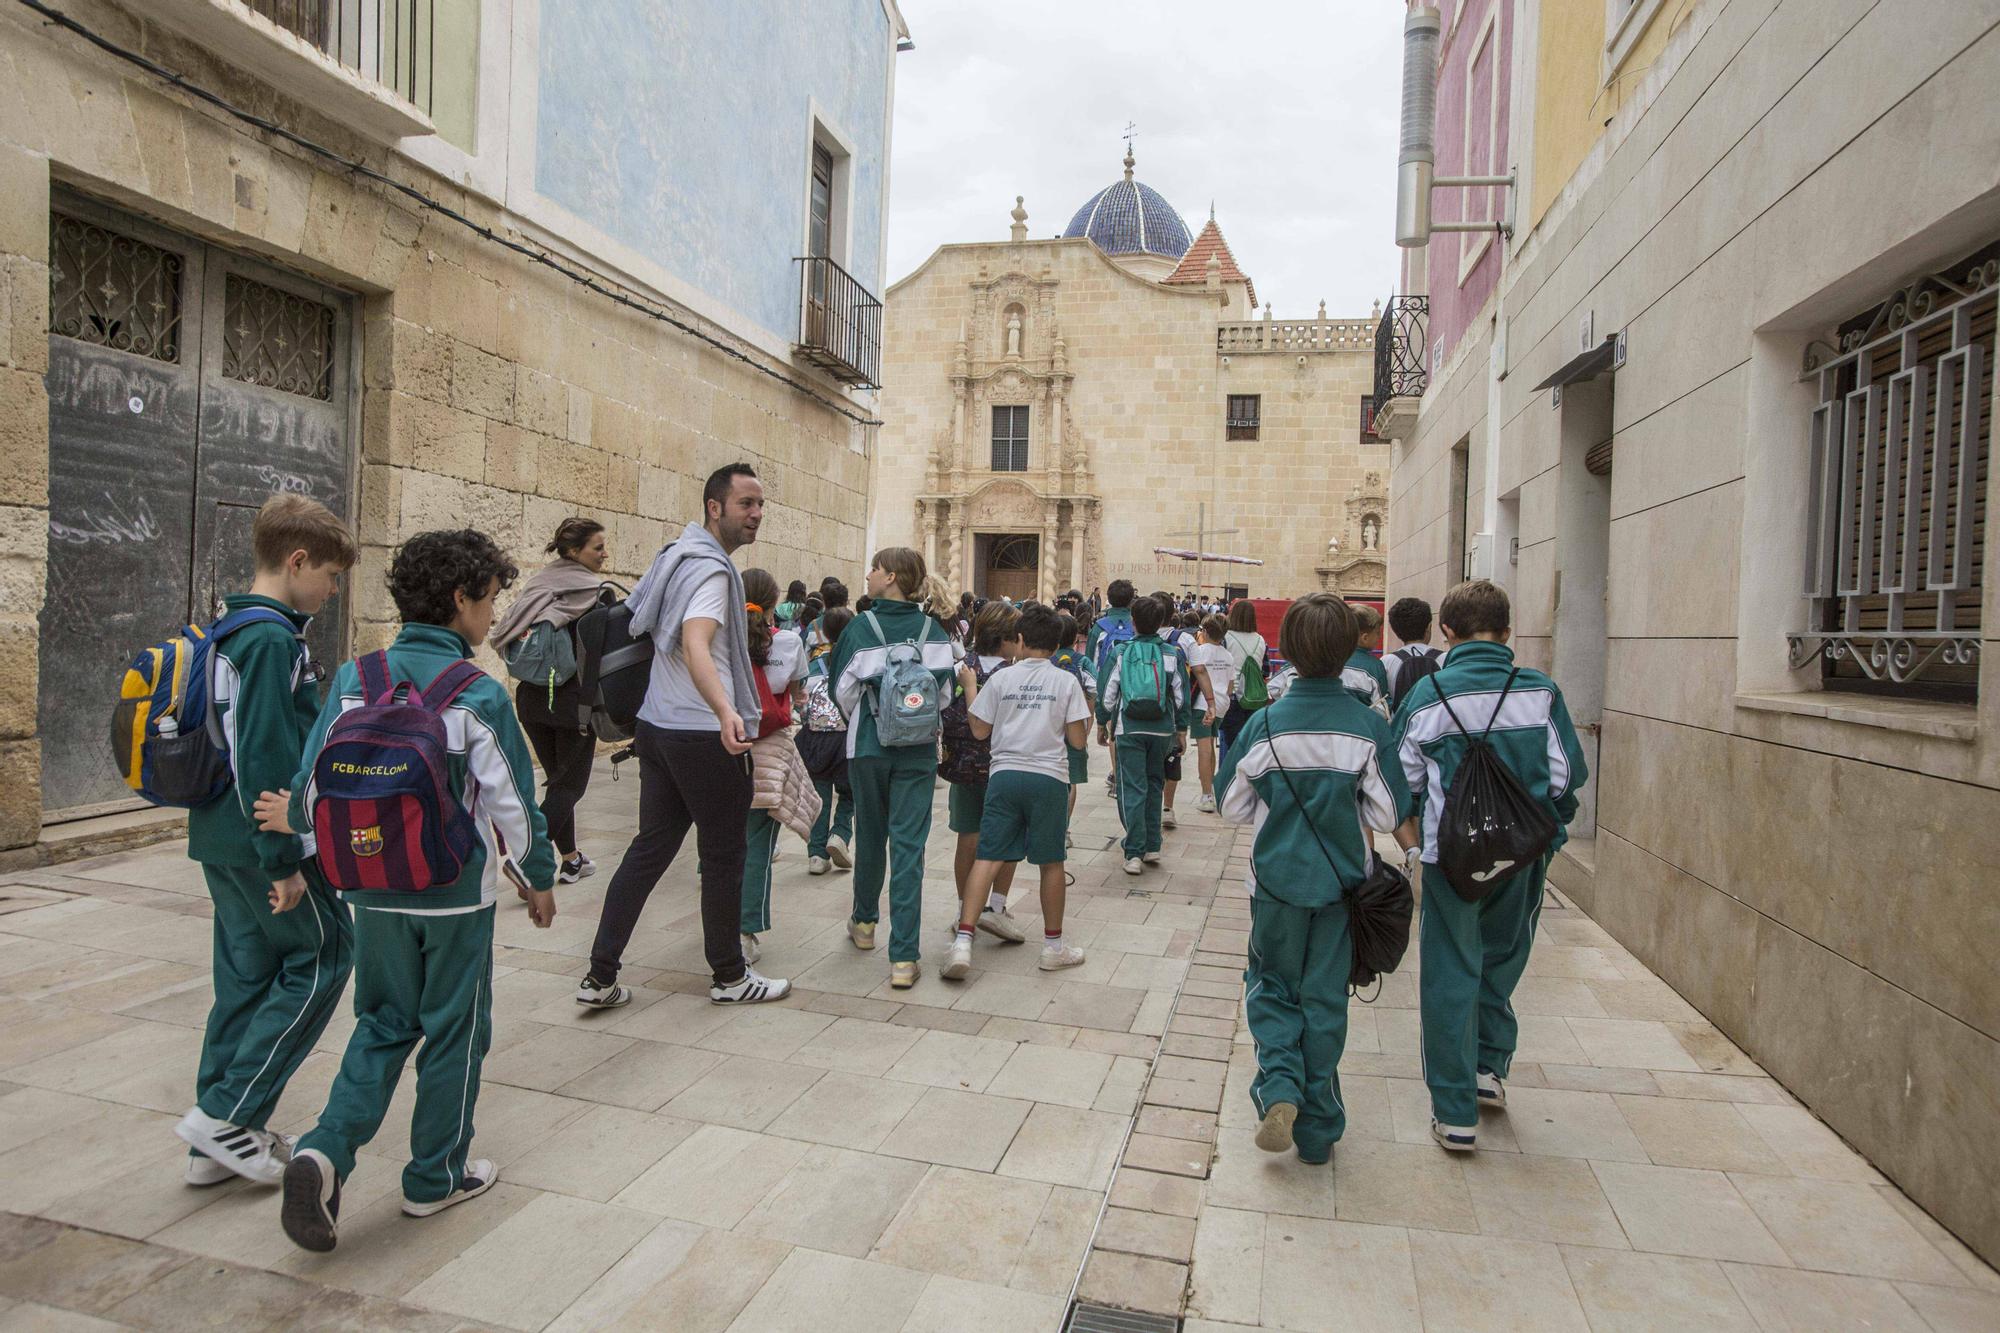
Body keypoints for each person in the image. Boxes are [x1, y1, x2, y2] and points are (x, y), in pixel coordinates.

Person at [271, 528, 556, 1251]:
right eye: (489, 601)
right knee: (456, 1031)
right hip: (454, 894)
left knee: (382, 1023)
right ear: (460, 599)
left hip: (369, 888)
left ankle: (324, 1150)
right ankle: (435, 1177)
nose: (493, 616)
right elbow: (513, 806)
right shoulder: (478, 693)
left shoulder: (354, 679)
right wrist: (537, 879)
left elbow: (311, 793)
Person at [174, 495, 357, 1188]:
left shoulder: (229, 625)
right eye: (331, 575)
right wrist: (285, 860)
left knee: (246, 976)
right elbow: (264, 749)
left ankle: (213, 1140)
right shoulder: (275, 638)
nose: (333, 590)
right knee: (325, 956)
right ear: (297, 560)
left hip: (218, 833)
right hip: (261, 838)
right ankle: (228, 1115)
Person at [578, 463, 791, 1009]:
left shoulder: (672, 556)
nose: (757, 514)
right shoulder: (712, 573)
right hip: (700, 735)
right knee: (724, 856)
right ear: (714, 507)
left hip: (658, 727)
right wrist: (725, 711)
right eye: (746, 504)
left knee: (650, 848)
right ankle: (729, 975)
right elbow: (697, 644)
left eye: (761, 504)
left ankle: (601, 974)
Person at [1218, 593, 1413, 1166]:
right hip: (1339, 891)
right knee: (1325, 998)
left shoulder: (1265, 724)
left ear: (1292, 653)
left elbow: (1230, 805)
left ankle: (1279, 1086)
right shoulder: (1366, 729)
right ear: (1352, 646)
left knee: (1271, 983)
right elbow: (1384, 814)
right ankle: (1320, 1126)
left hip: (1273, 887)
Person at [1394, 579, 1588, 1152]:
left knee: (1451, 968)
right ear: (1507, 632)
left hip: (1450, 859)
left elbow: (1400, 780)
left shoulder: (1429, 696)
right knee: (1503, 955)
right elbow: (1565, 777)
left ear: (1447, 634)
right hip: (1521, 854)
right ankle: (1487, 1066)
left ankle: (1454, 1110)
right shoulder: (1540, 693)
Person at [829, 547, 960, 987]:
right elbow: (943, 696)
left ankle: (864, 924)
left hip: (868, 746)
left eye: (874, 569)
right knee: (909, 846)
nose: (868, 575)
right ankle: (903, 958)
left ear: (890, 577)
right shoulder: (934, 630)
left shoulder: (860, 628)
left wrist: (872, 718)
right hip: (918, 750)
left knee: (869, 834)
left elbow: (840, 690)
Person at [942, 604, 1092, 980]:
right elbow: (1077, 740)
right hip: (1048, 778)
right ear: (1058, 643)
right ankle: (1053, 947)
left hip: (1005, 775)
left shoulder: (1003, 679)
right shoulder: (1065, 681)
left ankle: (963, 941)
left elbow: (979, 730)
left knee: (987, 856)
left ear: (1021, 640)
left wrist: (972, 689)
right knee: (1051, 863)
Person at [491, 516, 611, 887]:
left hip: (530, 700)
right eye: (598, 547)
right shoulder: (597, 592)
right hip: (574, 703)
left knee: (559, 783)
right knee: (569, 787)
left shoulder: (539, 585)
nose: (605, 554)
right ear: (575, 551)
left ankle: (572, 860)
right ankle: (527, 856)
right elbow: (603, 657)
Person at [738, 569, 816, 964]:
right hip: (769, 753)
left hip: (722, 747)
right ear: (774, 603)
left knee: (716, 841)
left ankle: (715, 917)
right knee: (758, 847)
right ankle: (746, 931)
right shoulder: (788, 642)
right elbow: (799, 692)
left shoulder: (719, 637)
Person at [946, 602, 1024, 944]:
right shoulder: (1016, 673)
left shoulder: (962, 667)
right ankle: (996, 906)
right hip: (1006, 765)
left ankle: (966, 908)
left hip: (964, 764)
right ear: (1005, 639)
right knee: (1007, 838)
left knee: (968, 838)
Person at [1097, 593, 1191, 875]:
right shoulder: (1172, 654)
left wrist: (1103, 723)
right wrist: (1182, 729)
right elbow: (1181, 695)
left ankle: (1134, 850)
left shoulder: (1121, 651)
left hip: (1130, 727)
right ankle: (1152, 844)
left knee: (1132, 787)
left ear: (1133, 622)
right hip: (1162, 730)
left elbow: (1108, 693)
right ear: (1162, 621)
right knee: (1154, 784)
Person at [801, 605, 855, 875]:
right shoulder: (855, 659)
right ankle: (841, 834)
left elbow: (803, 699)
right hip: (846, 738)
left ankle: (817, 854)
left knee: (819, 796)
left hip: (816, 737)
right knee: (850, 794)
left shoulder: (815, 660)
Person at [1050, 611, 1094, 837]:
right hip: (1075, 728)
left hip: (1049, 728)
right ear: (1075, 639)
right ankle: (1063, 829)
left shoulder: (1047, 661)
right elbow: (1093, 691)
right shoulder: (1083, 662)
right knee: (1071, 780)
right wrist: (1089, 722)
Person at [1186, 613, 1235, 814]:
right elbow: (1231, 686)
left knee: (1204, 748)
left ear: (1204, 632)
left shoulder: (1200, 652)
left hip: (1202, 703)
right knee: (1211, 746)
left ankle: (1206, 795)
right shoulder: (1228, 655)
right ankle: (1211, 790)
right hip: (1222, 704)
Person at [1218, 599, 1271, 761]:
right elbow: (1265, 670)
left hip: (1232, 696)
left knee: (1232, 744)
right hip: (1255, 697)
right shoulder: (1261, 640)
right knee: (1250, 743)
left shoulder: (1226, 638)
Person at [1384, 596, 1443, 711]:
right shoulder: (1445, 659)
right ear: (1429, 627)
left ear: (1396, 631)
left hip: (1401, 727)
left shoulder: (1386, 662)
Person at [1341, 604, 1391, 715]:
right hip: (1362, 728)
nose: (1379, 638)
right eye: (1377, 633)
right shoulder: (1374, 666)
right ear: (1365, 637)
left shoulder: (1331, 659)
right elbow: (1382, 709)